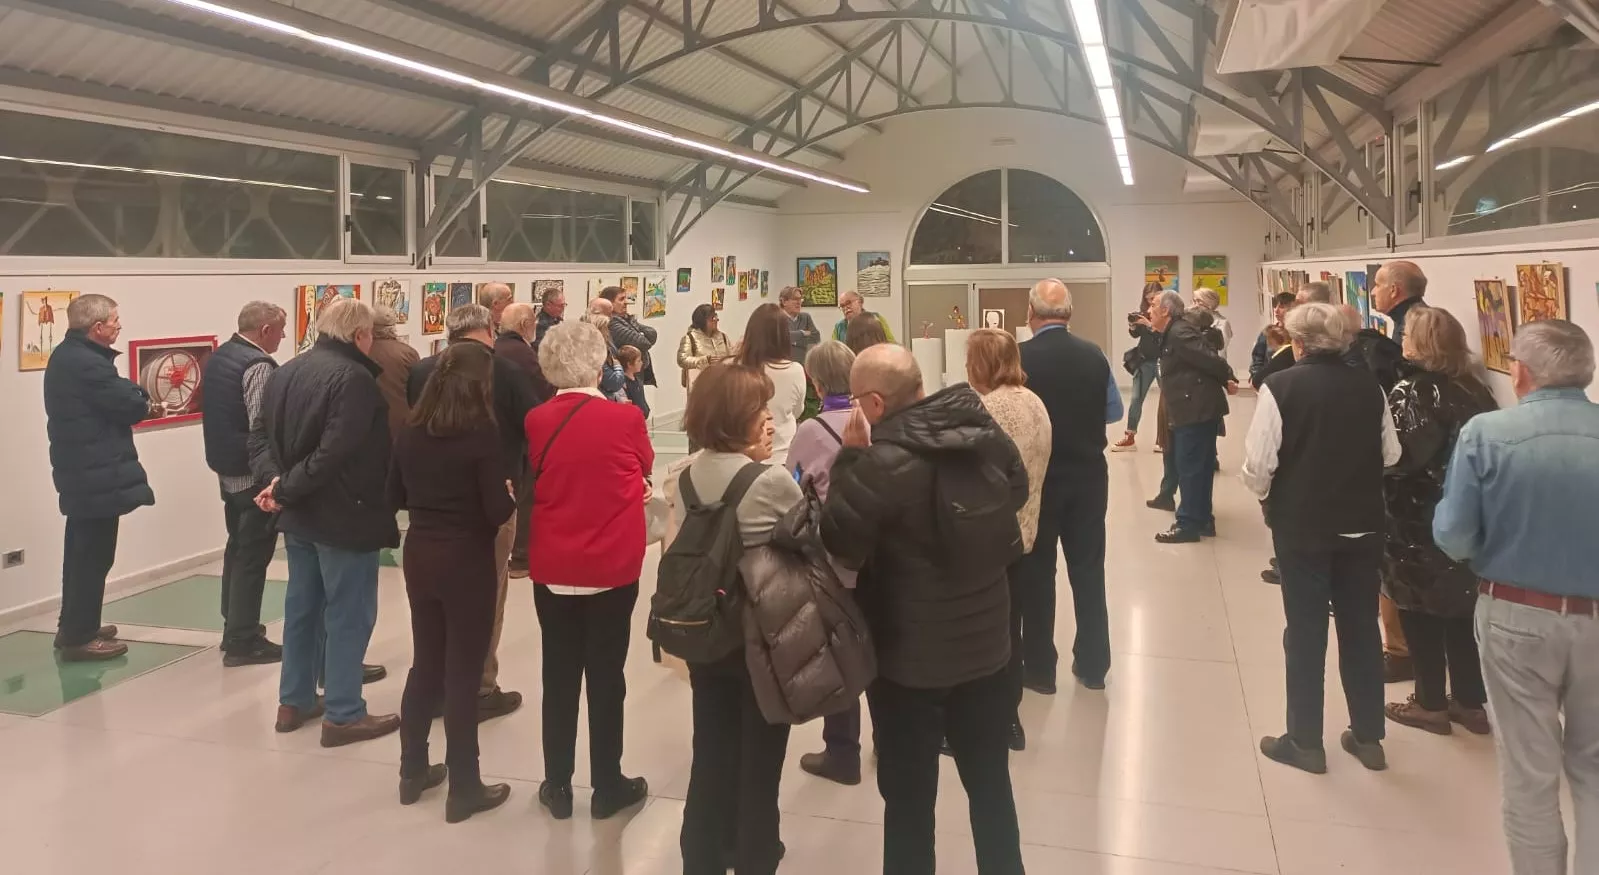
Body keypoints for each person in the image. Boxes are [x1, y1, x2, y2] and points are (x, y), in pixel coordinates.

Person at [821, 344, 1026, 875]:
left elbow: (840, 540)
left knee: (910, 805)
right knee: (991, 789)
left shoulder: (879, 464)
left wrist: (848, 458)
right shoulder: (982, 435)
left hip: (908, 666)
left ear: (873, 404)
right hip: (988, 649)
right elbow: (1018, 490)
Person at [1432, 320, 1599, 874]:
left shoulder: (1487, 433)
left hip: (1516, 613)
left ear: (1521, 373)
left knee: (1530, 770)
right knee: (1595, 766)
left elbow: (1453, 536)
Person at [1241, 303, 1401, 775]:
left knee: (1306, 631)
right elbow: (1391, 454)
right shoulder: (1370, 388)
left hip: (1303, 526)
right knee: (1360, 629)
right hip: (1364, 524)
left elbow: (1258, 465)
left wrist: (1270, 493)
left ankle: (1305, 741)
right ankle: (1369, 737)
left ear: (1298, 343)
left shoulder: (1281, 387)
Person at [522, 320, 652, 821]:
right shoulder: (626, 420)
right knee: (606, 675)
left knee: (557, 675)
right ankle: (607, 784)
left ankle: (557, 785)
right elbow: (642, 467)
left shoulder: (536, 420)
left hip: (553, 564)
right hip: (611, 566)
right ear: (601, 364)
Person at [677, 364, 805, 875]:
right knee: (761, 764)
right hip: (761, 636)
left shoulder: (686, 473)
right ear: (737, 419)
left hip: (707, 634)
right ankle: (754, 854)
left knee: (709, 752)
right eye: (760, 412)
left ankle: (703, 857)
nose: (769, 422)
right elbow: (808, 540)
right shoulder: (769, 480)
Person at [255, 298, 401, 746]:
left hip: (299, 516)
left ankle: (294, 700)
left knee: (302, 611)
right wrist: (284, 488)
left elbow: (258, 435)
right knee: (349, 614)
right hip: (344, 514)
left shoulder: (286, 370)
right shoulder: (354, 379)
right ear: (360, 336)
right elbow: (336, 452)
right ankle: (343, 711)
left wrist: (275, 484)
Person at [387, 342, 516, 823]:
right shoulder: (481, 433)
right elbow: (495, 511)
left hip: (421, 552)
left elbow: (393, 495)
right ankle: (465, 785)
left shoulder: (412, 430)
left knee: (426, 663)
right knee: (463, 674)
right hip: (466, 558)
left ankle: (412, 770)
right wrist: (508, 493)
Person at [408, 303, 538, 722]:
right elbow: (533, 426)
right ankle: (480, 687)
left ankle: (435, 688)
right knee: (487, 601)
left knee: (431, 617)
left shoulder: (422, 371)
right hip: (490, 503)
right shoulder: (506, 372)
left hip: (428, 517)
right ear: (489, 329)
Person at [1380, 307, 1497, 736]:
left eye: (1408, 334)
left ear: (1421, 343)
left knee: (1418, 609)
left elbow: (1400, 458)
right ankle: (1469, 701)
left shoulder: (1410, 391)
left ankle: (1429, 702)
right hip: (1468, 515)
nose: (1402, 339)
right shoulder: (1477, 389)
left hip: (1416, 520)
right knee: (1461, 610)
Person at [1015, 279, 1123, 691]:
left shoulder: (1019, 358)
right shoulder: (1094, 355)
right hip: (1088, 480)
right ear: (1069, 314)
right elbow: (1113, 412)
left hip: (1038, 481)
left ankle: (1040, 669)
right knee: (1088, 570)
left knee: (1037, 574)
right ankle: (1094, 663)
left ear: (1031, 313)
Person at [44, 293, 158, 661]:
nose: (118, 325)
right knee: (92, 556)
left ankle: (77, 623)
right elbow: (131, 404)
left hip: (84, 473)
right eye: (114, 320)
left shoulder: (69, 356)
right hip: (94, 475)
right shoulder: (88, 365)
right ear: (96, 328)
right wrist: (140, 394)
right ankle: (79, 635)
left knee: (82, 554)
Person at [967, 328, 1052, 752]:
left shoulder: (988, 409)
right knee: (1011, 628)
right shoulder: (1033, 400)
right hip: (1025, 534)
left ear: (982, 364)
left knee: (983, 634)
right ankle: (1010, 719)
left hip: (988, 541)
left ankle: (983, 722)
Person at [788, 340, 863, 785]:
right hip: (879, 556)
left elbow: (793, 484)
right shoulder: (873, 418)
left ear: (815, 382)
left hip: (833, 561)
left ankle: (843, 752)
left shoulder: (810, 432)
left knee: (841, 655)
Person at [202, 301, 288, 666]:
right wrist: (273, 477)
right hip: (253, 476)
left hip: (227, 470)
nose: (284, 336)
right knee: (253, 555)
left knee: (237, 549)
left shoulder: (222, 356)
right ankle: (243, 639)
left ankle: (233, 626)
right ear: (265, 330)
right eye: (281, 330)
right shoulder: (259, 366)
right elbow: (260, 428)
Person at [1148, 291, 1237, 544]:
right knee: (1199, 467)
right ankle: (1203, 519)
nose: (1149, 309)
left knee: (1190, 467)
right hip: (1195, 407)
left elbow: (1209, 358)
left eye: (1153, 305)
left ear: (1166, 310)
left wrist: (1229, 378)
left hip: (1195, 409)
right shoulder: (1175, 331)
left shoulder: (1179, 332)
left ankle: (1187, 523)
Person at [498, 302, 554, 581]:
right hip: (521, 435)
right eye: (532, 321)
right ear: (523, 325)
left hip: (498, 434)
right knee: (526, 495)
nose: (535, 326)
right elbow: (542, 389)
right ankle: (521, 556)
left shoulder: (495, 349)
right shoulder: (523, 353)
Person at [738, 303, 808, 465]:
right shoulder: (794, 370)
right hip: (783, 453)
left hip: (745, 455)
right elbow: (798, 411)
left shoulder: (736, 367)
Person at [1111, 282, 1164, 452]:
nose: (1150, 303)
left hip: (1163, 360)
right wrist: (1134, 325)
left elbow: (1167, 336)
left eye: (1153, 299)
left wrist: (1150, 325)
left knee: (1167, 400)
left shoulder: (1167, 313)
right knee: (1135, 399)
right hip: (1145, 360)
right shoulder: (1144, 313)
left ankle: (1163, 439)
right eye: (1147, 299)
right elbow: (1136, 335)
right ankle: (1130, 436)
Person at [369, 307, 420, 441]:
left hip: (369, 424)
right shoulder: (408, 353)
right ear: (393, 327)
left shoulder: (362, 352)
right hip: (401, 424)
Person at [599, 285, 658, 387]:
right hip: (625, 376)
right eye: (621, 299)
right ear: (610, 303)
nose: (626, 302)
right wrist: (640, 333)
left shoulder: (626, 319)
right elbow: (643, 343)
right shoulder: (612, 323)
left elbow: (652, 333)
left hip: (636, 372)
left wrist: (639, 332)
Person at [676, 303, 731, 396]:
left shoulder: (723, 336)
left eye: (716, 316)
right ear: (702, 321)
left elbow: (730, 355)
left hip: (724, 385)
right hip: (701, 388)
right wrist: (705, 360)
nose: (716, 320)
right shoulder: (690, 338)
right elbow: (682, 359)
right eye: (712, 318)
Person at [1370, 260, 1427, 346]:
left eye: (1377, 285)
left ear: (1393, 290)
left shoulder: (1411, 328)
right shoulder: (1420, 318)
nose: (1372, 292)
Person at [1249, 292, 1298, 389]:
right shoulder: (1268, 332)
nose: (1276, 310)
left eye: (1282, 306)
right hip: (1269, 383)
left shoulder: (1297, 334)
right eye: (1275, 306)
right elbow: (1257, 359)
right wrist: (1256, 377)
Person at [780, 285, 823, 372]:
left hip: (803, 366)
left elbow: (816, 337)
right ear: (784, 302)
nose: (798, 302)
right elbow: (781, 338)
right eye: (795, 299)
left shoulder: (805, 317)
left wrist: (793, 340)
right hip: (783, 368)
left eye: (800, 299)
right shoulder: (777, 318)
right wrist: (802, 333)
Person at [1193, 286, 1233, 352]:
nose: (1194, 305)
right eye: (1194, 301)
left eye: (1198, 301)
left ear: (1210, 304)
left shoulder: (1222, 323)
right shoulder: (1195, 320)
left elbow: (1221, 350)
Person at [617, 345, 650, 418]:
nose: (641, 363)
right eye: (638, 361)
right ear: (629, 364)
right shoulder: (623, 383)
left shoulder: (637, 378)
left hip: (642, 416)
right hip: (633, 418)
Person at [535, 283, 566, 349]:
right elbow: (542, 349)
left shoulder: (558, 320)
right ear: (548, 305)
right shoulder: (540, 325)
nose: (563, 308)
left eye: (564, 305)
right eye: (560, 305)